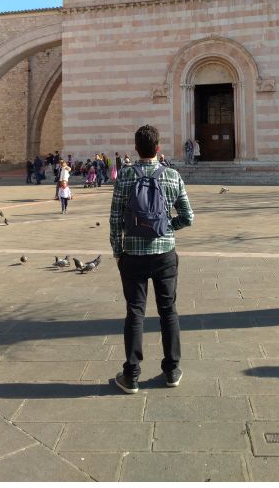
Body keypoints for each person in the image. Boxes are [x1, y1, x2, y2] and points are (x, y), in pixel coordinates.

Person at [109, 124, 194, 394]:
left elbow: (115, 219)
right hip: (165, 254)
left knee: (135, 312)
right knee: (168, 311)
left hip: (132, 254)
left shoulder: (124, 176)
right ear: (158, 148)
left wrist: (117, 251)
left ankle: (131, 375)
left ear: (136, 148)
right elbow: (188, 216)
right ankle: (171, 370)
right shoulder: (172, 175)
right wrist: (168, 227)